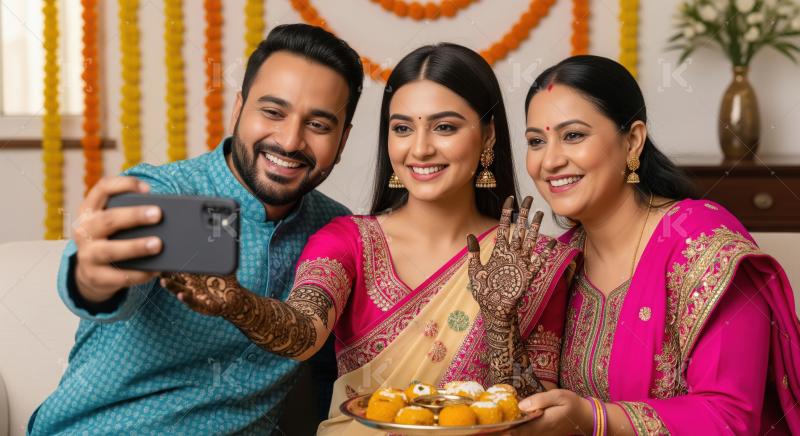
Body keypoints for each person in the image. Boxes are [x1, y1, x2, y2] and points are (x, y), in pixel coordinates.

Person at [162, 43, 579, 435]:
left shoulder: (531, 259)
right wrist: (238, 302)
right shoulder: (348, 239)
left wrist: (501, 322)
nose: (420, 148)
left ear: (487, 136)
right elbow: (304, 334)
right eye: (402, 128)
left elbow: (534, 416)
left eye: (445, 127)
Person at [28, 24, 362, 435]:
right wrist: (92, 278)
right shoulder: (169, 194)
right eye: (272, 112)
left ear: (343, 141)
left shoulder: (338, 230)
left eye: (318, 125)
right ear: (238, 110)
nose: (290, 141)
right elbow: (108, 276)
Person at [499, 55, 800, 434]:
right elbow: (531, 408)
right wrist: (501, 324)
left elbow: (730, 419)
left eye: (573, 135)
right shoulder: (557, 263)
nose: (550, 160)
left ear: (633, 141)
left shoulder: (702, 244)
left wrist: (596, 419)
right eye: (536, 141)